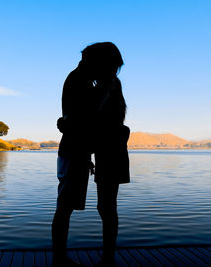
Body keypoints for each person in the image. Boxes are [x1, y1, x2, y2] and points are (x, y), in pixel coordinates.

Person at [52, 42, 129, 267]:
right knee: (66, 206)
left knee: (107, 207)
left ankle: (107, 259)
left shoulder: (110, 83)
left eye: (116, 67)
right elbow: (80, 116)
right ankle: (60, 260)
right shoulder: (78, 79)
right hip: (78, 148)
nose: (114, 71)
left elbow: (114, 119)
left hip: (108, 148)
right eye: (112, 65)